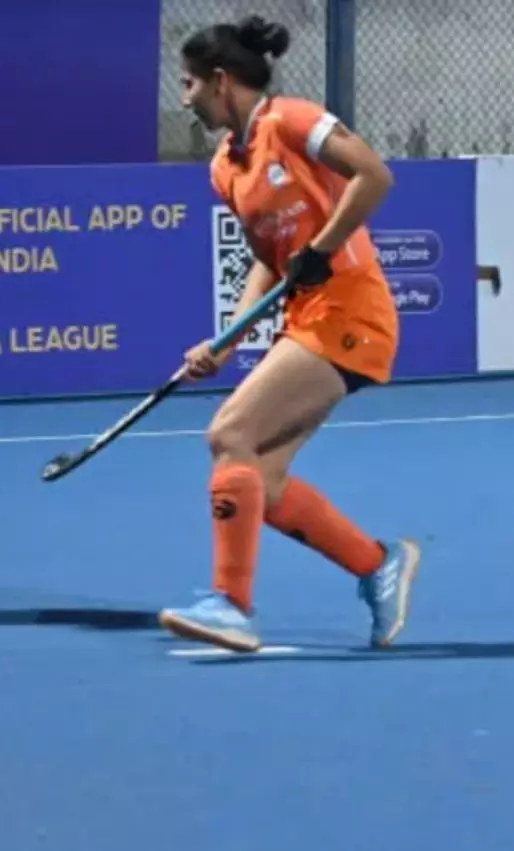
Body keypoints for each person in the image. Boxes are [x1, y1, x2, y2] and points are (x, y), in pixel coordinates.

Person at [157, 16, 422, 653]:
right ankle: (377, 563)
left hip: (351, 313)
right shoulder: (225, 167)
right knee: (262, 481)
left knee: (230, 435)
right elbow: (267, 258)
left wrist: (323, 250)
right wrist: (227, 339)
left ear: (222, 81)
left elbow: (374, 176)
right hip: (309, 319)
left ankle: (232, 605)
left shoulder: (293, 121)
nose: (185, 98)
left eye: (190, 83)